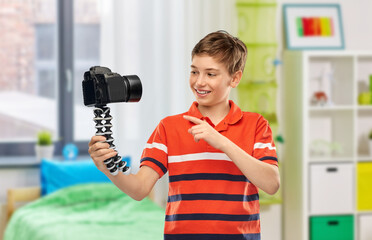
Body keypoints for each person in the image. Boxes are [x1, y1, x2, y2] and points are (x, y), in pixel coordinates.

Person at [88, 30, 280, 240]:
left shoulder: (256, 124)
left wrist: (222, 142)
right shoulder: (169, 127)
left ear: (234, 78)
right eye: (194, 72)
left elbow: (271, 184)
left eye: (211, 74)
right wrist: (108, 167)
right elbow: (139, 189)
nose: (199, 82)